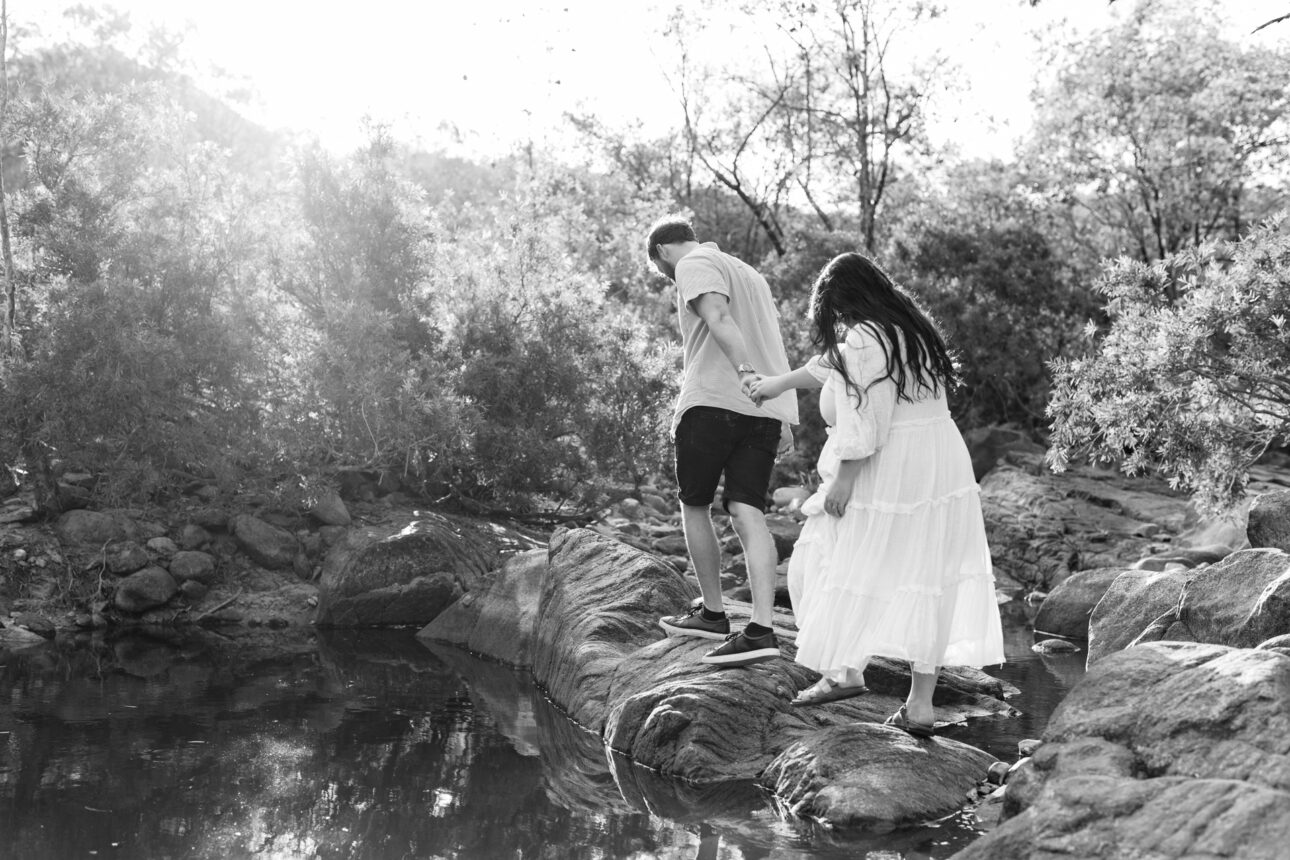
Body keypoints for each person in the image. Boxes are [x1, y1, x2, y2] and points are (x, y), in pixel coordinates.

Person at [748, 251, 1004, 736]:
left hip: (892, 460)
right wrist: (776, 383)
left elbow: (868, 416)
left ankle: (843, 672)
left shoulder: (866, 337)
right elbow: (831, 365)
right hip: (940, 458)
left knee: (826, 552)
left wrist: (843, 478)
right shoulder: (908, 326)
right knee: (928, 572)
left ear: (843, 302)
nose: (837, 322)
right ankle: (920, 705)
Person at [647, 215, 799, 667]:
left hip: (714, 399)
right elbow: (773, 342)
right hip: (763, 410)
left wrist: (745, 374)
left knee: (694, 504)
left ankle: (713, 614)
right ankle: (762, 629)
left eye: (662, 271)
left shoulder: (691, 264)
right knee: (747, 510)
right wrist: (782, 414)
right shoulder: (750, 273)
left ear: (662, 252)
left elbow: (717, 315)